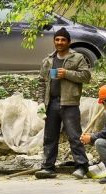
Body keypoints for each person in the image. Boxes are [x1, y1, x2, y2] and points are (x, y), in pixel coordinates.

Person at [35, 27, 91, 179]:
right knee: (49, 137)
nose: (60, 42)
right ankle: (48, 167)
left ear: (68, 42)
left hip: (70, 103)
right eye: (57, 39)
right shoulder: (48, 60)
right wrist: (40, 102)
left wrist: (67, 73)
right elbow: (41, 82)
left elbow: (86, 76)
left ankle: (81, 167)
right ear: (54, 41)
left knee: (74, 136)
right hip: (51, 103)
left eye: (63, 40)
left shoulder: (77, 57)